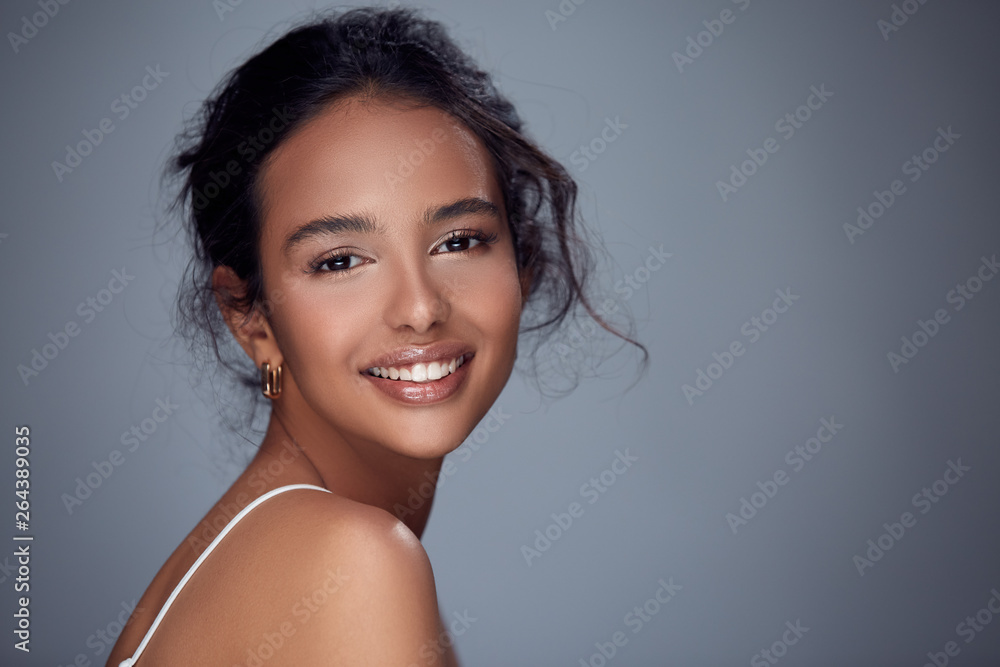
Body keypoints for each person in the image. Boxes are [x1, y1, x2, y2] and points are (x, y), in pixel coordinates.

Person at [108, 7, 646, 665]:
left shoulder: (272, 547)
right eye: (339, 261)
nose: (420, 308)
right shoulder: (353, 562)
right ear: (249, 316)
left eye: (459, 241)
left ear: (520, 261)